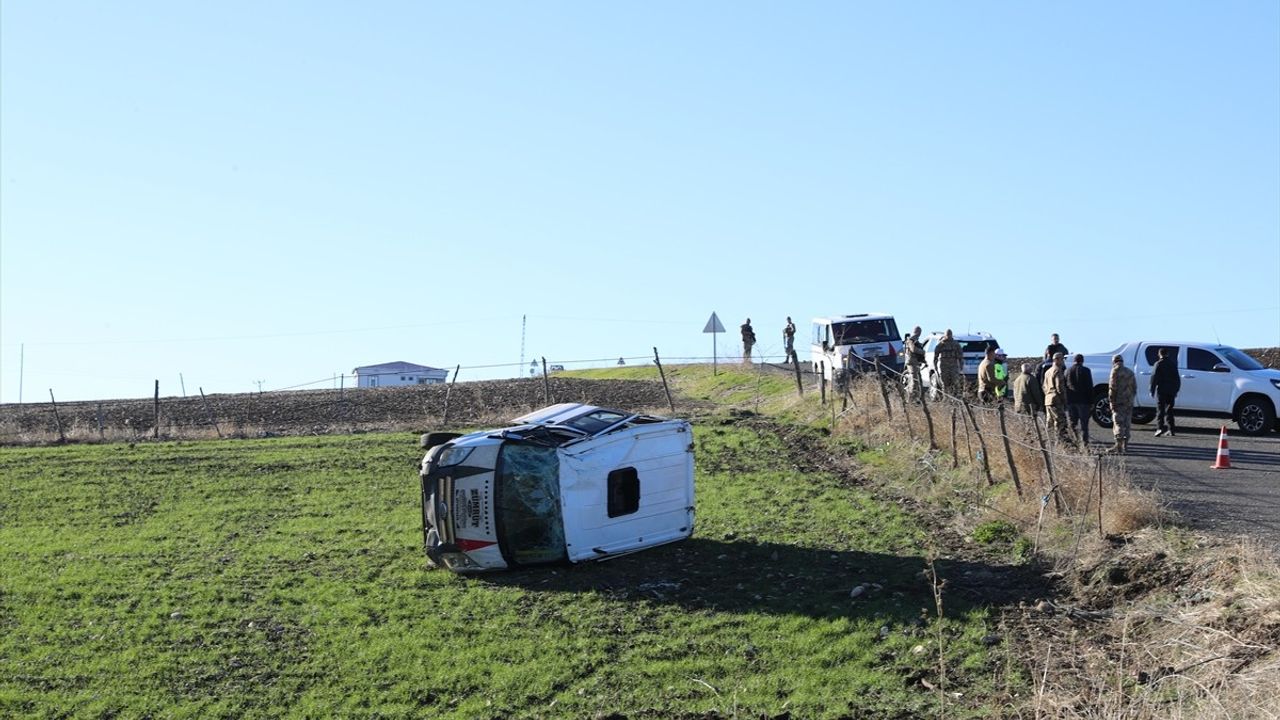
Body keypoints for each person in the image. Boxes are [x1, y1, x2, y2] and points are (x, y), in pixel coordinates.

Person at [1108, 354, 1137, 453]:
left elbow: (1113, 388)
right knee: (1127, 423)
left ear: (1114, 361)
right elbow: (1134, 388)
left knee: (1118, 423)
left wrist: (1112, 402)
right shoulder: (1130, 372)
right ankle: (1126, 446)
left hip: (1118, 401)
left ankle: (1118, 446)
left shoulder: (1115, 371)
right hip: (1128, 401)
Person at [1065, 353, 1094, 447]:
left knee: (1072, 423)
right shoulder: (1086, 370)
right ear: (1082, 361)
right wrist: (1091, 401)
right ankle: (1084, 442)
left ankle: (1074, 441)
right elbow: (1089, 387)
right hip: (1083, 401)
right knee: (1084, 423)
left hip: (1071, 400)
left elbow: (1065, 386)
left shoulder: (1067, 371)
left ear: (1074, 360)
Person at [1150, 347, 1181, 437]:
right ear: (1167, 354)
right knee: (1170, 410)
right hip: (1171, 390)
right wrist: (1176, 390)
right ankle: (1171, 429)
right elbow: (1177, 378)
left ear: (1159, 354)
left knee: (1160, 410)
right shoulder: (1172, 364)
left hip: (1161, 389)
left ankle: (1159, 428)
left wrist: (1151, 390)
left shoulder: (1158, 364)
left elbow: (1154, 377)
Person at [1042, 352, 1069, 440]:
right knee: (1060, 421)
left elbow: (1044, 386)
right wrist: (1064, 400)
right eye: (1062, 359)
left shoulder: (1047, 371)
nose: (1063, 361)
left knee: (1049, 422)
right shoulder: (1057, 370)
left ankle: (1049, 440)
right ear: (1057, 360)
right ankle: (1060, 441)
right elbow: (1059, 387)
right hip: (1056, 400)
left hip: (1048, 399)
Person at [933, 329, 964, 399]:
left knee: (955, 383)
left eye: (950, 335)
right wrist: (935, 367)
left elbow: (961, 355)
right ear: (945, 335)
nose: (949, 336)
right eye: (947, 335)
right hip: (944, 367)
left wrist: (961, 365)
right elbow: (935, 356)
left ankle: (956, 399)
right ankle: (946, 398)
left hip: (954, 367)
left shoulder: (956, 344)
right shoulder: (941, 344)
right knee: (945, 384)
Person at [903, 326, 924, 401]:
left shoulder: (916, 341)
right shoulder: (911, 340)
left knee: (918, 381)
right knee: (914, 381)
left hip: (916, 362)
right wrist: (922, 352)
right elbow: (913, 349)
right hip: (911, 362)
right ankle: (911, 399)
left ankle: (917, 398)